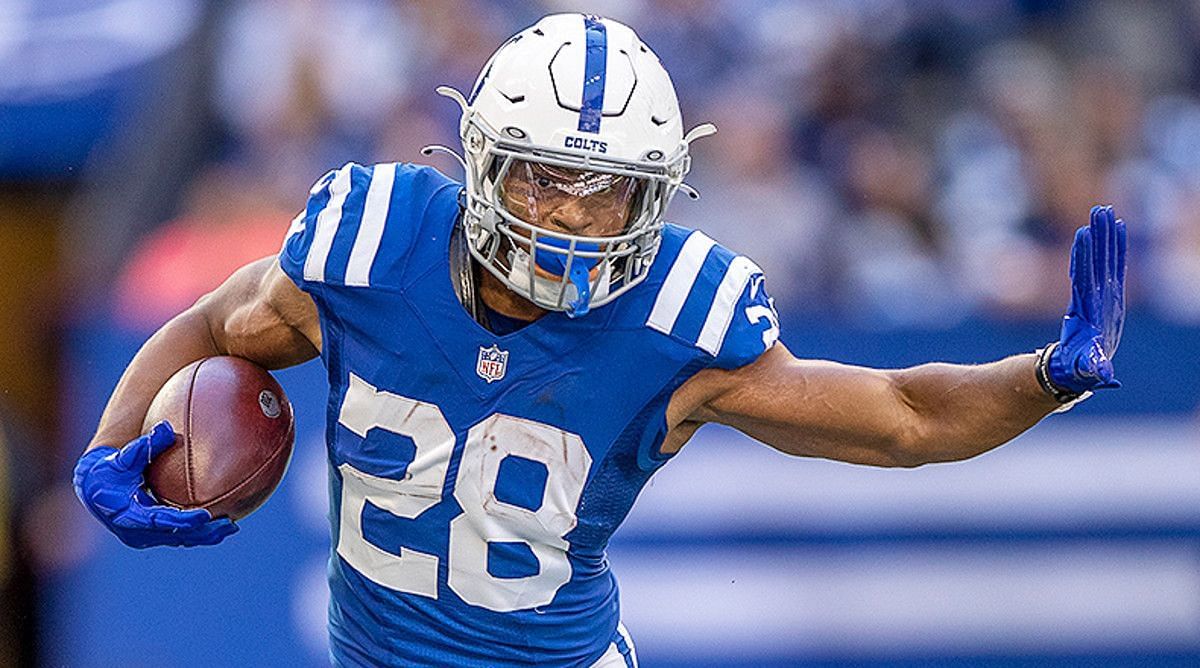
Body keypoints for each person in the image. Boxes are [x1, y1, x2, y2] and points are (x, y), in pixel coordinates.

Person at [72, 14, 1126, 668]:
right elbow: (213, 322)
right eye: (542, 174)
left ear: (658, 193)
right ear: (480, 161)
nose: (572, 215)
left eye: (608, 189)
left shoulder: (679, 321)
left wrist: (1044, 376)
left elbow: (901, 417)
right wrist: (105, 451)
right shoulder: (368, 249)